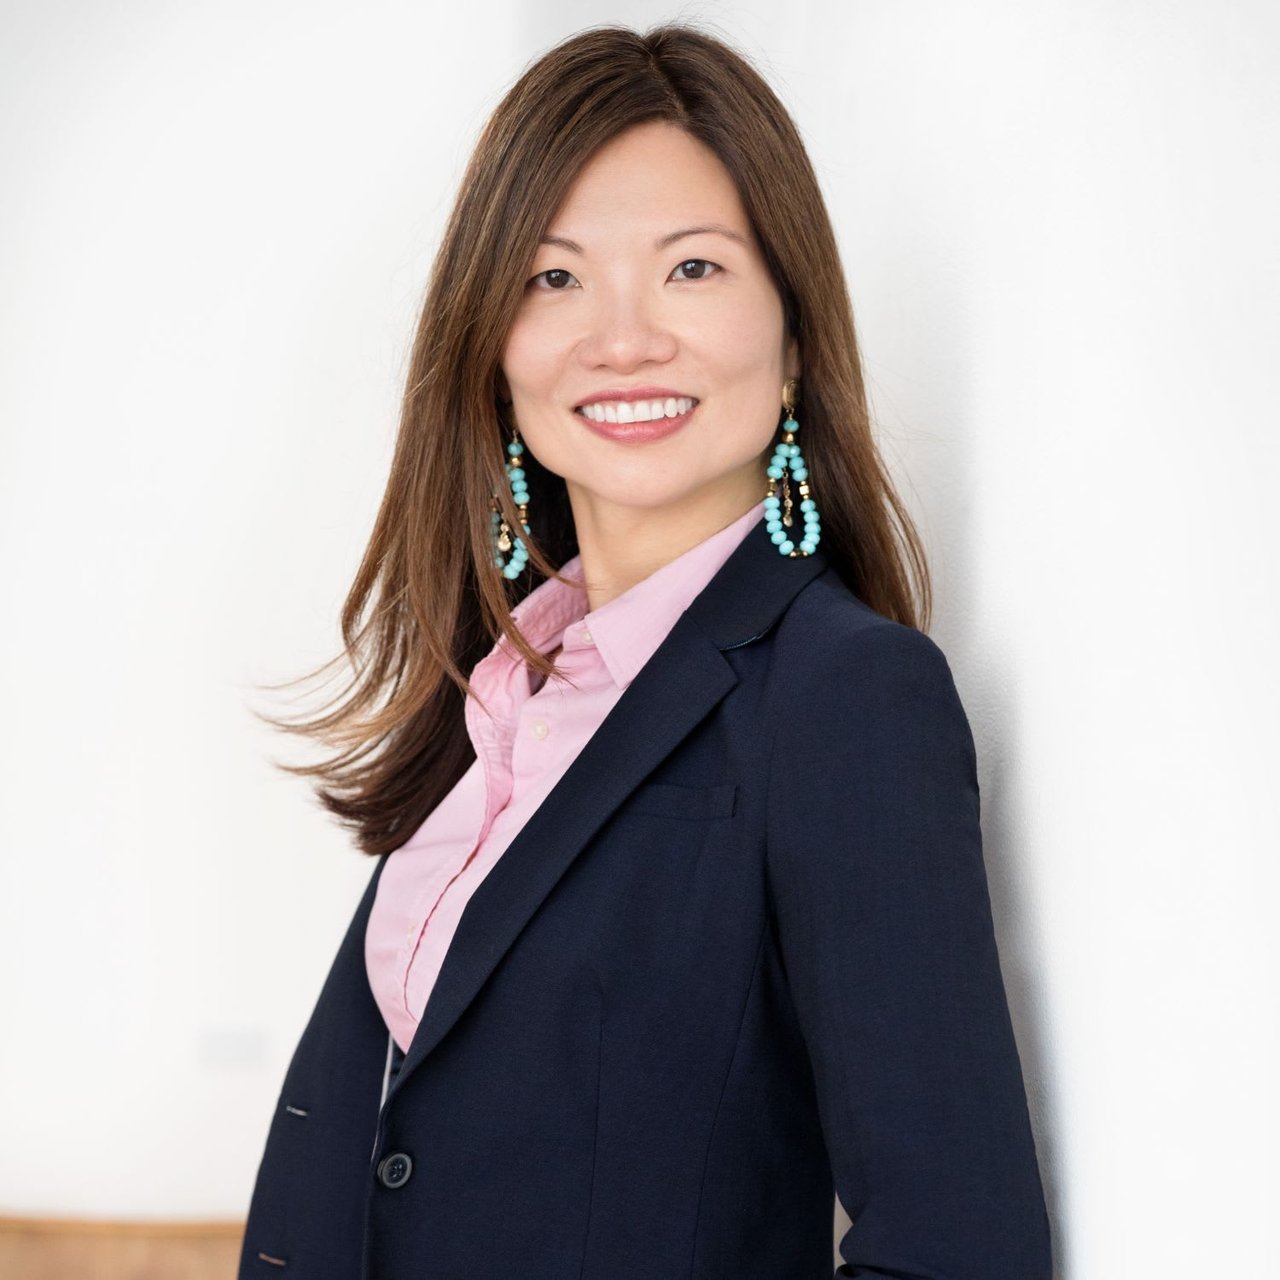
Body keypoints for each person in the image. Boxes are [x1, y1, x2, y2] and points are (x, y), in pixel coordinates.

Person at [237, 21, 1052, 1280]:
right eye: (552, 278)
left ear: (791, 341)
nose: (619, 339)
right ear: (491, 347)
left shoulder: (844, 698)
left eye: (690, 269)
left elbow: (957, 1246)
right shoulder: (494, 692)